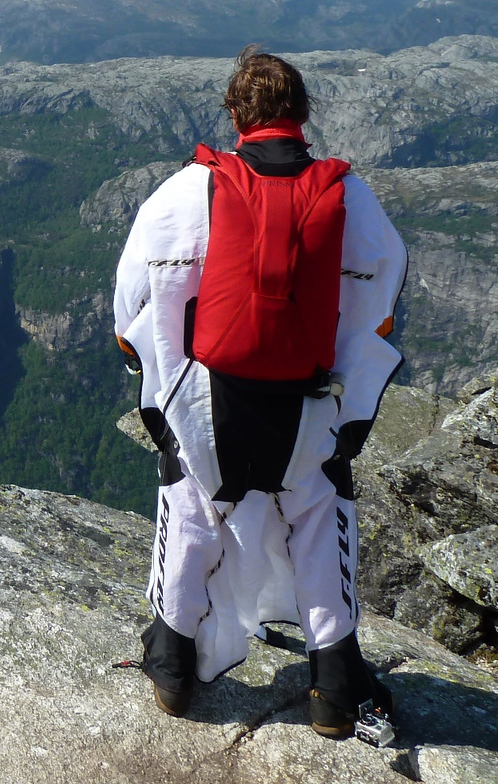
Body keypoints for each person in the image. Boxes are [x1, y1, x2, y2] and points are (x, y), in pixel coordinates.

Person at [112, 47, 407, 739]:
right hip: (306, 403)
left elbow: (135, 297)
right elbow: (378, 313)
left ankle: (175, 667)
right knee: (317, 519)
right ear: (302, 117)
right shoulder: (350, 199)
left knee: (189, 510)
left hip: (211, 399)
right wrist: (352, 413)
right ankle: (334, 685)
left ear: (236, 116)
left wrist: (154, 390)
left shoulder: (191, 190)